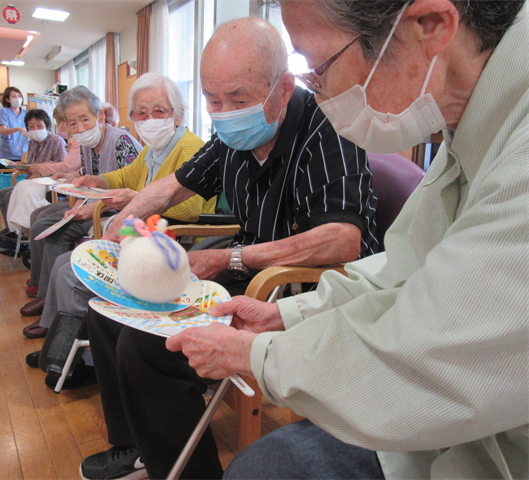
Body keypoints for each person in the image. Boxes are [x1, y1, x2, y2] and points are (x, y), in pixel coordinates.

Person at [166, 2, 529, 480]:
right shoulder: (469, 124)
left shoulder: (510, 151)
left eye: (318, 67)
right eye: (213, 99)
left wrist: (256, 354)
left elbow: (428, 360)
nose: (320, 90)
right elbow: (402, 268)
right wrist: (286, 315)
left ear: (430, 26)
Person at [78, 17, 378, 480]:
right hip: (251, 273)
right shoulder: (232, 134)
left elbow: (342, 238)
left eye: (238, 99)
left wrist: (227, 258)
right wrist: (122, 223)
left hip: (307, 287)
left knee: (146, 345)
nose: (224, 112)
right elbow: (172, 187)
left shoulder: (328, 126)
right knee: (105, 308)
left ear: (282, 87)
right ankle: (137, 447)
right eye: (212, 100)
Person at [20, 73, 217, 377]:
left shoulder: (192, 148)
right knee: (66, 261)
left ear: (178, 114)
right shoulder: (153, 151)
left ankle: (84, 362)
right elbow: (124, 175)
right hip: (140, 234)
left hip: (168, 242)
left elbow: (190, 208)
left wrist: (136, 198)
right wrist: (98, 180)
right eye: (141, 112)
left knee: (73, 272)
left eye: (159, 111)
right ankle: (60, 348)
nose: (149, 119)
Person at [18, 85, 143, 316]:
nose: (79, 128)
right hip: (95, 206)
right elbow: (87, 182)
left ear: (100, 116)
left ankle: (50, 301)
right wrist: (76, 206)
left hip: (117, 211)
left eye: (85, 120)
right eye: (73, 123)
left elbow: (133, 191)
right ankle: (46, 294)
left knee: (52, 229)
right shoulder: (86, 144)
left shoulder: (121, 141)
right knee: (44, 223)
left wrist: (89, 208)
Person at [0, 109, 68, 235]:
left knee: (8, 195)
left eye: (39, 126)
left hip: (48, 182)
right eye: (31, 127)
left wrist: (39, 168)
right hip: (31, 179)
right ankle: (12, 230)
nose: (35, 129)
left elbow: (62, 167)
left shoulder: (56, 141)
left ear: (47, 126)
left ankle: (19, 232)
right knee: (1, 194)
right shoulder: (32, 142)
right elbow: (31, 164)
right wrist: (21, 166)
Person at [0, 86, 28, 162]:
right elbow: (3, 131)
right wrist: (18, 129)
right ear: (8, 99)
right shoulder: (4, 112)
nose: (17, 98)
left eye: (19, 96)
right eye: (14, 96)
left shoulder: (26, 113)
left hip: (23, 152)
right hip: (8, 153)